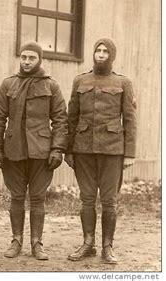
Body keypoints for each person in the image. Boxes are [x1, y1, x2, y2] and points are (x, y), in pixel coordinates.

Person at [0, 41, 68, 260]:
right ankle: (16, 241)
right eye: (23, 57)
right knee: (16, 196)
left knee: (38, 198)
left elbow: (61, 119)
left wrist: (57, 149)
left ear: (40, 60)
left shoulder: (51, 86)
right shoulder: (8, 84)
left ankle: (36, 243)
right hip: (13, 150)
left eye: (31, 58)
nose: (26, 61)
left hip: (42, 152)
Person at [65, 38, 137, 264]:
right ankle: (88, 244)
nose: (101, 54)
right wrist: (68, 150)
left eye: (106, 51)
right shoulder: (80, 80)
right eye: (98, 50)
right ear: (93, 53)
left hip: (112, 150)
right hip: (83, 149)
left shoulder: (124, 82)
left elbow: (130, 120)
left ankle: (107, 246)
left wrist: (130, 153)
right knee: (86, 199)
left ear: (112, 55)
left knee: (109, 201)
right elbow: (71, 117)